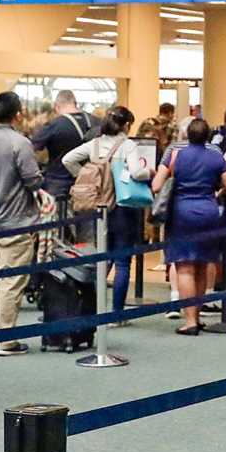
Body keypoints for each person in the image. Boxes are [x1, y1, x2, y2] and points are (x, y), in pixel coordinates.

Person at [152, 118, 226, 335]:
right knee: (202, 264)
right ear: (208, 136)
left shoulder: (175, 155)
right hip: (209, 212)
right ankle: (197, 316)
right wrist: (216, 191)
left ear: (187, 135)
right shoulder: (215, 156)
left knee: (184, 266)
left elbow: (156, 186)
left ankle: (190, 321)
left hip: (182, 213)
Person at [0, 92, 43, 356]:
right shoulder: (20, 143)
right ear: (18, 113)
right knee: (10, 282)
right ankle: (5, 339)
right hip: (15, 222)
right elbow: (32, 180)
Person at [62, 106, 148, 314]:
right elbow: (137, 173)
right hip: (121, 207)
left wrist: (84, 175)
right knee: (123, 262)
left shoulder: (95, 144)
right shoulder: (127, 145)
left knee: (103, 258)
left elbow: (67, 159)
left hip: (99, 208)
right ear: (126, 125)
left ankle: (96, 307)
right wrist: (148, 171)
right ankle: (117, 312)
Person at [31, 90, 94, 230]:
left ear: (57, 106)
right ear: (75, 103)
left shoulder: (55, 124)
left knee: (56, 228)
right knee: (88, 229)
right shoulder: (96, 122)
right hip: (90, 183)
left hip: (58, 182)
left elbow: (32, 147)